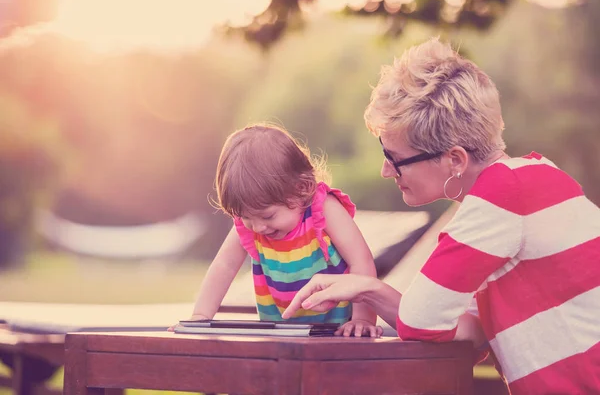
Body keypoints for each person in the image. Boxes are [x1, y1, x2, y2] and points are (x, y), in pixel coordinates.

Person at [282, 38, 600, 394]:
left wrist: (368, 288)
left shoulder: (500, 197)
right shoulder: (535, 179)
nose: (387, 171)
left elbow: (420, 320)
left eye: (396, 159)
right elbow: (471, 331)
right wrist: (370, 292)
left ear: (455, 160)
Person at [174, 124, 380, 337]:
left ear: (302, 188)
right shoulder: (251, 226)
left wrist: (362, 319)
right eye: (245, 217)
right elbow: (223, 266)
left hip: (337, 333)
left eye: (268, 216)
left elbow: (361, 261)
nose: (258, 227)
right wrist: (200, 316)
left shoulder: (324, 209)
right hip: (280, 334)